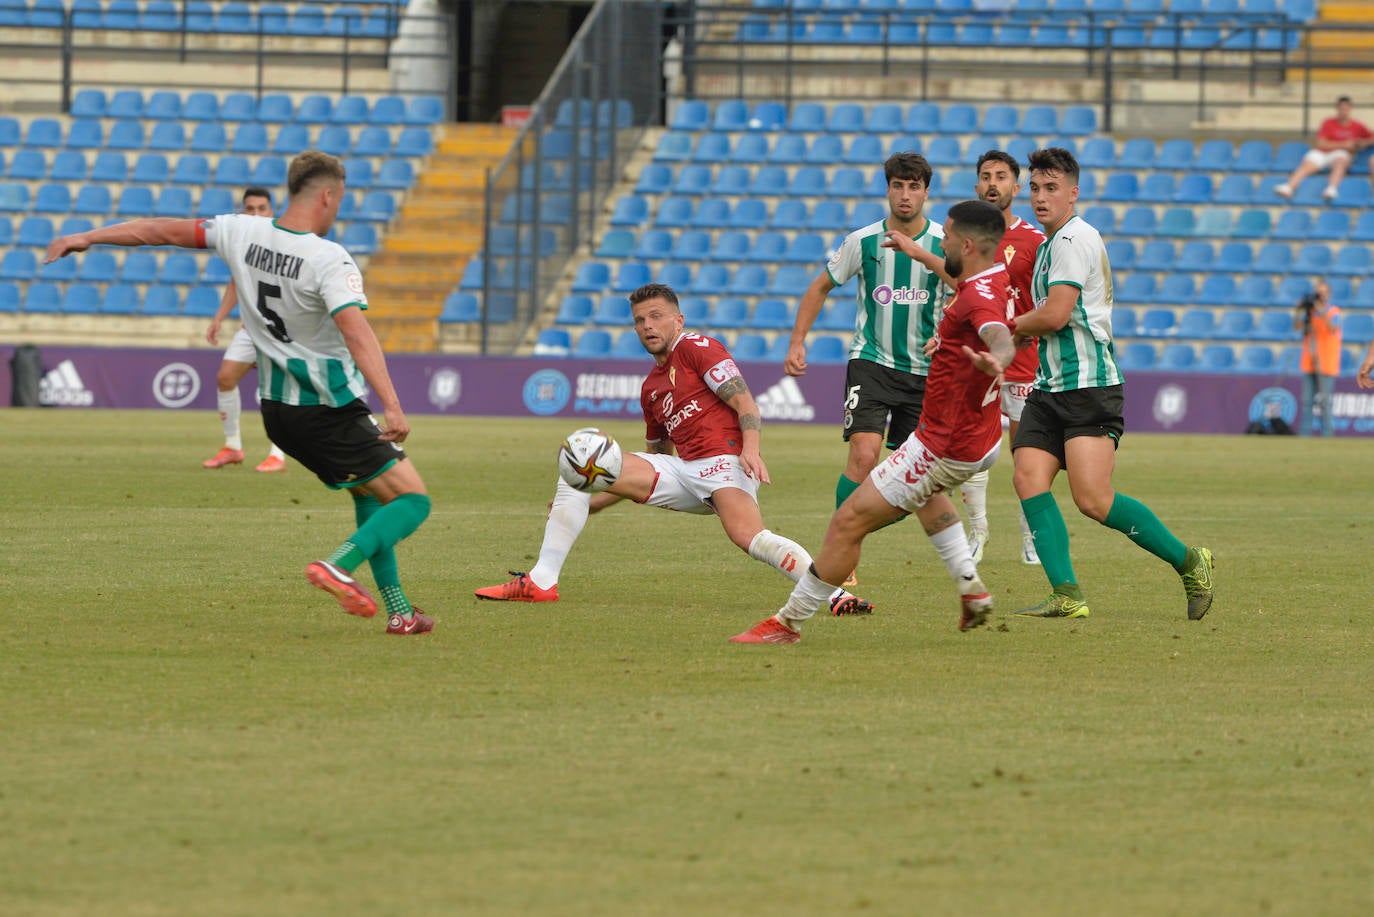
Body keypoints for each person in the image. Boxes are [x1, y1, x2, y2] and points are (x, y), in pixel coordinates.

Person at [45, 151, 435, 636]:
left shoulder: (239, 231)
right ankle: (339, 565)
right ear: (328, 196)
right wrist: (393, 405)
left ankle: (400, 612)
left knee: (371, 493)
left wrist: (88, 236)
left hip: (276, 413)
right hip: (328, 407)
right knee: (415, 501)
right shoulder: (329, 258)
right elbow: (358, 334)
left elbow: (160, 230)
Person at [474, 282, 873, 619]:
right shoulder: (651, 389)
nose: (648, 326)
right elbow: (654, 462)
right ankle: (542, 581)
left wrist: (751, 450)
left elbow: (746, 404)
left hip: (726, 464)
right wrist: (592, 501)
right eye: (640, 321)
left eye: (656, 316)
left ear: (677, 320)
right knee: (585, 462)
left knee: (751, 538)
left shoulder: (698, 347)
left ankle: (835, 595)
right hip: (683, 471)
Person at [731, 200, 1018, 644]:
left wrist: (996, 357)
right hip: (978, 438)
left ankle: (788, 623)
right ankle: (970, 589)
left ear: (966, 243)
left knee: (847, 522)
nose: (939, 243)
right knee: (928, 498)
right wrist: (922, 262)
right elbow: (974, 297)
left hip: (944, 444)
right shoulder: (992, 275)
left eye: (946, 239)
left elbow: (996, 334)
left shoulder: (978, 297)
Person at [1008, 147, 1214, 622]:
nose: (1041, 197)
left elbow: (1057, 313)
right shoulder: (1048, 245)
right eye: (1036, 188)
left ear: (1073, 193)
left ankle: (1190, 562)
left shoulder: (1075, 239)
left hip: (1089, 386)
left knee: (1093, 500)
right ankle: (1067, 593)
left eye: (1052, 188)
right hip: (1051, 385)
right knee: (1027, 477)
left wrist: (1009, 329)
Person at [783, 151, 947, 583]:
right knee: (864, 454)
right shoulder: (863, 241)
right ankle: (841, 556)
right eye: (898, 185)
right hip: (871, 362)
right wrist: (798, 340)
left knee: (921, 480)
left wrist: (947, 334)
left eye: (914, 186)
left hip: (925, 373)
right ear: (887, 188)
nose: (905, 195)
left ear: (927, 192)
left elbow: (966, 294)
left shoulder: (944, 243)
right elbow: (820, 287)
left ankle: (858, 531)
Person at [883, 149, 1045, 566]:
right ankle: (979, 532)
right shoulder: (966, 240)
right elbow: (963, 288)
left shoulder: (1035, 241)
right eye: (986, 176)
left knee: (1026, 455)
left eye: (1002, 177)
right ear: (977, 186)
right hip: (977, 356)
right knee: (973, 448)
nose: (994, 183)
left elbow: (1042, 300)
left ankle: (1031, 538)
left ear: (1015, 185)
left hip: (1023, 359)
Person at [202, 186, 290, 472]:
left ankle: (279, 453)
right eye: (249, 209)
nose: (255, 214)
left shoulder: (285, 239)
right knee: (225, 378)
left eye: (261, 208)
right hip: (251, 328)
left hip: (281, 330)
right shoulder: (242, 242)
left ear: (271, 211)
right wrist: (219, 317)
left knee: (275, 390)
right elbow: (236, 282)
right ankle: (233, 447)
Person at [1275, 96, 1374, 202]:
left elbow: (1371, 137)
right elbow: (1321, 143)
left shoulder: (1357, 126)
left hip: (1341, 155)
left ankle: (1331, 189)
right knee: (1307, 164)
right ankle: (1289, 187)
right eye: (1341, 109)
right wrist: (1344, 144)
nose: (1343, 112)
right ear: (1337, 109)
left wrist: (1363, 143)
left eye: (1346, 109)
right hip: (1322, 153)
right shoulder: (1328, 123)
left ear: (1350, 109)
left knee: (1341, 160)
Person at [1293, 279, 1342, 437]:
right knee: (1307, 401)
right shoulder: (1310, 313)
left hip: (1327, 363)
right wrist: (1299, 311)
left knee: (1325, 402)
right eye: (1317, 293)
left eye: (1322, 293)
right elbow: (1297, 327)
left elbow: (1333, 328)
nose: (1319, 297)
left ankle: (1327, 433)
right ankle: (1305, 434)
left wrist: (1321, 312)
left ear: (1329, 295)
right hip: (1309, 361)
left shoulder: (1334, 311)